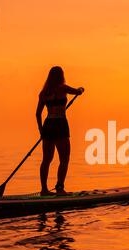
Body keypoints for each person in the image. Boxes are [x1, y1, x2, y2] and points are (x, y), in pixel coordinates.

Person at [36, 66, 84, 196]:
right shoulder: (63, 88)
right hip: (60, 124)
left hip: (48, 125)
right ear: (61, 76)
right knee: (64, 158)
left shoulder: (44, 93)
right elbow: (77, 91)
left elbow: (37, 114)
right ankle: (60, 188)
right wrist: (81, 89)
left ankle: (44, 190)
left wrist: (41, 131)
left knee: (46, 159)